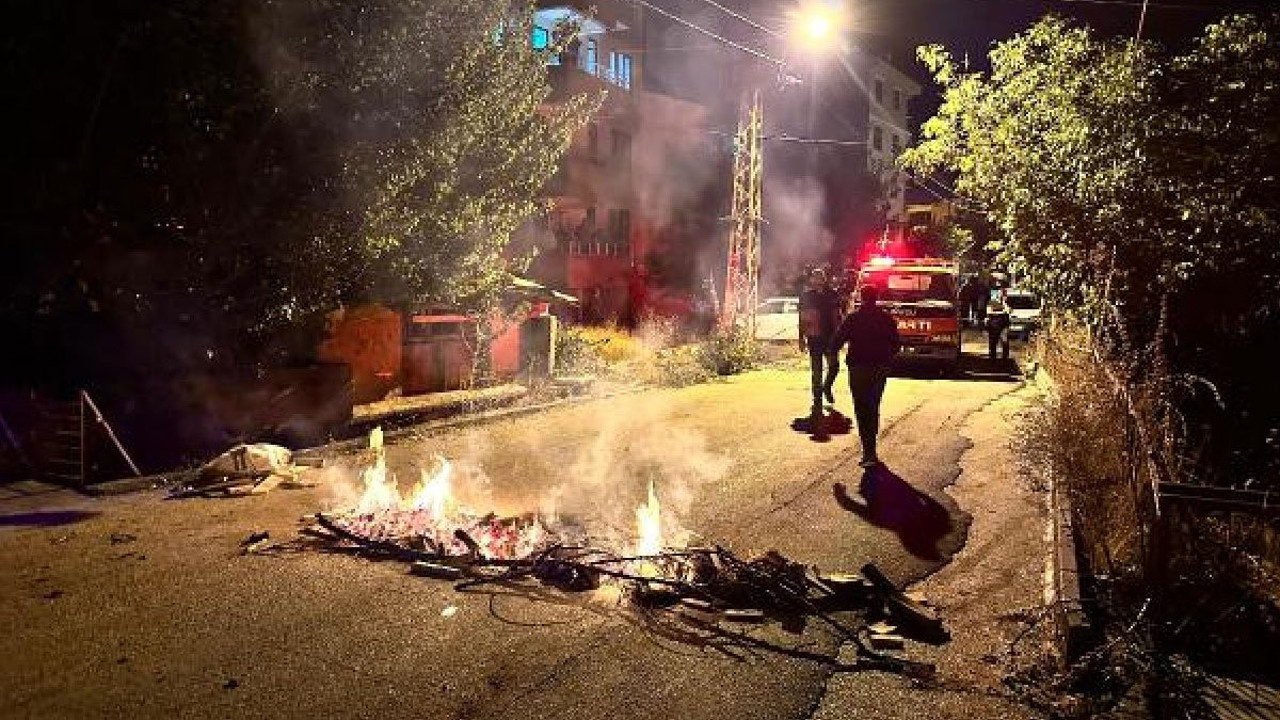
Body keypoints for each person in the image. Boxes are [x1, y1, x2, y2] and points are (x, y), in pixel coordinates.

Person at [831, 284, 901, 467]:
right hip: (879, 368)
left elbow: (836, 341)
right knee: (873, 406)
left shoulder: (853, 318)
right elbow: (896, 345)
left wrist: (833, 359)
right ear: (876, 297)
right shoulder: (886, 319)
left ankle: (868, 452)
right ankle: (871, 450)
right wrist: (886, 359)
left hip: (858, 369)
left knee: (861, 409)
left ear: (861, 297)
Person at [798, 268, 844, 416]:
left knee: (834, 366)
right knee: (816, 370)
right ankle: (817, 399)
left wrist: (840, 336)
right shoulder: (806, 296)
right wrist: (801, 338)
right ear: (811, 279)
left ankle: (827, 386)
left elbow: (838, 316)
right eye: (815, 277)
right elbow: (802, 318)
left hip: (830, 337)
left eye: (821, 277)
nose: (818, 280)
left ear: (825, 279)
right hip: (814, 337)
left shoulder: (833, 294)